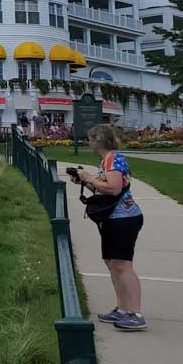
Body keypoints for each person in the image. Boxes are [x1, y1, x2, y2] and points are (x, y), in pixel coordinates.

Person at [69, 124, 146, 331]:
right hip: (114, 218)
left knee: (123, 265)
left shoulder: (113, 158)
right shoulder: (107, 160)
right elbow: (105, 187)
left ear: (98, 139)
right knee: (112, 263)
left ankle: (136, 313)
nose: (89, 142)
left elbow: (113, 189)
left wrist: (89, 178)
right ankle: (122, 309)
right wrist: (84, 181)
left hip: (123, 218)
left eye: (90, 139)